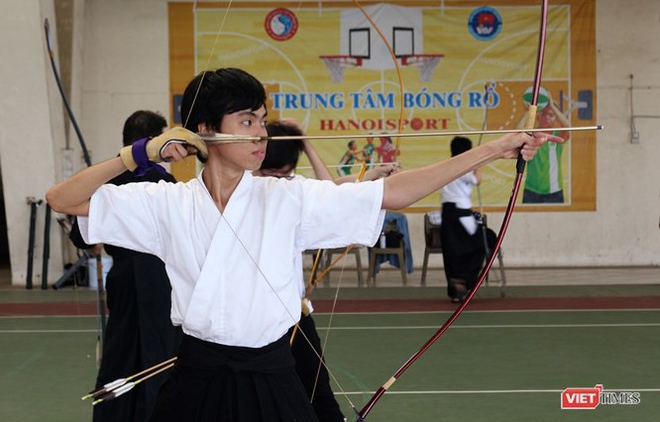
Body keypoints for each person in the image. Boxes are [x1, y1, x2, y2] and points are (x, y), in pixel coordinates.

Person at [46, 67, 559, 422]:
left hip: (272, 374)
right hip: (197, 375)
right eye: (246, 121)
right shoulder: (165, 204)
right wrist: (134, 156)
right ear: (204, 130)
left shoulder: (287, 198)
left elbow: (395, 192)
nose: (260, 133)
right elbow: (63, 200)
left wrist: (494, 147)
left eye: (262, 120)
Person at [253, 121, 395, 422]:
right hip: (256, 321)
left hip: (295, 315)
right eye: (270, 173)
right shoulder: (242, 191)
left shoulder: (291, 190)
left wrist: (305, 142)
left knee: (319, 394)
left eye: (285, 173)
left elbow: (329, 190)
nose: (278, 180)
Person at [69, 110, 182, 421]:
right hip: (160, 282)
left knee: (121, 355)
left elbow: (80, 237)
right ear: (151, 142)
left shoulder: (105, 180)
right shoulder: (165, 183)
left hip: (124, 280)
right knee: (160, 357)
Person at [439, 136, 495, 303]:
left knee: (453, 250)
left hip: (448, 213)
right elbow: (477, 180)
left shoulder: (446, 165)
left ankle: (456, 287)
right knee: (486, 240)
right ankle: (464, 282)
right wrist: (479, 163)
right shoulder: (462, 166)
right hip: (460, 213)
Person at [517, 87, 571, 204]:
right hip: (531, 191)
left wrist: (551, 105)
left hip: (554, 192)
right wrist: (529, 110)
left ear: (556, 118)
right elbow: (516, 132)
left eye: (551, 115)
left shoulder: (558, 136)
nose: (547, 117)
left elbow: (568, 127)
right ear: (538, 116)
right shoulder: (531, 134)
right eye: (544, 114)